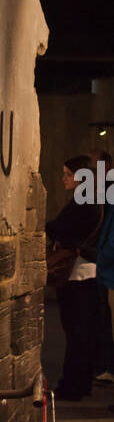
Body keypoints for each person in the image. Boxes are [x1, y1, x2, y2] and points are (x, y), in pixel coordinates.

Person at [45, 155, 103, 401]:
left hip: (76, 273)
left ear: (79, 176)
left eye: (67, 174)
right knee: (86, 331)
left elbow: (59, 228)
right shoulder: (95, 199)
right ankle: (83, 382)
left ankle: (72, 385)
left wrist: (54, 232)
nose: (63, 179)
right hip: (90, 271)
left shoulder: (81, 201)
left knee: (75, 331)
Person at [92, 148, 114, 383]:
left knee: (106, 319)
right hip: (106, 266)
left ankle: (108, 365)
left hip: (108, 269)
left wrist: (102, 257)